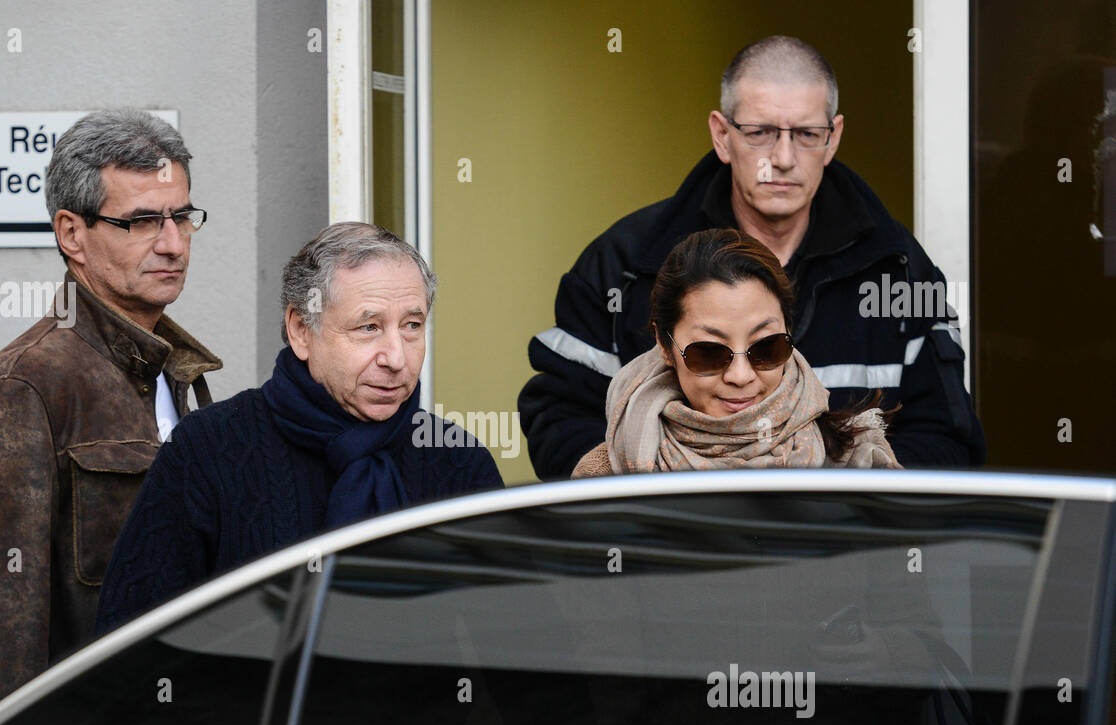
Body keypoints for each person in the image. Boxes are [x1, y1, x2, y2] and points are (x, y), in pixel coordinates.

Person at [520, 35, 985, 479]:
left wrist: (835, 504)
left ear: (834, 137)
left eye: (806, 133)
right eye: (760, 132)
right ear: (722, 136)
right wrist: (651, 488)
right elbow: (558, 418)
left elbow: (946, 435)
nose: (783, 157)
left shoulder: (897, 268)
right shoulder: (624, 264)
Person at [0, 109, 222, 725]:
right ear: (72, 233)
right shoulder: (26, 388)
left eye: (181, 216)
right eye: (143, 220)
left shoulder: (181, 374)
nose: (173, 242)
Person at [95, 222, 504, 634]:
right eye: (369, 327)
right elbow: (134, 642)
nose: (396, 357)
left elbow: (512, 640)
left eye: (412, 326)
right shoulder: (208, 451)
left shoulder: (456, 461)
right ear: (301, 330)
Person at [573, 228, 898, 476]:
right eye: (709, 353)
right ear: (665, 346)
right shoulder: (607, 474)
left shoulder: (857, 462)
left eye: (766, 348)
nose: (741, 376)